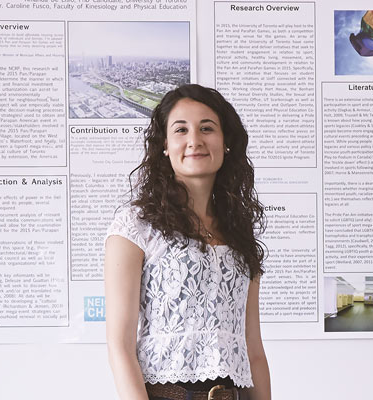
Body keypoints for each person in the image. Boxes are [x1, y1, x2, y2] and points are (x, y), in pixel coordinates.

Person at [104, 84, 271, 400]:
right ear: (165, 145)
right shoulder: (135, 225)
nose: (195, 140)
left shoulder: (239, 232)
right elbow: (119, 345)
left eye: (207, 128)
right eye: (181, 129)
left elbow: (253, 347)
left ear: (226, 143)